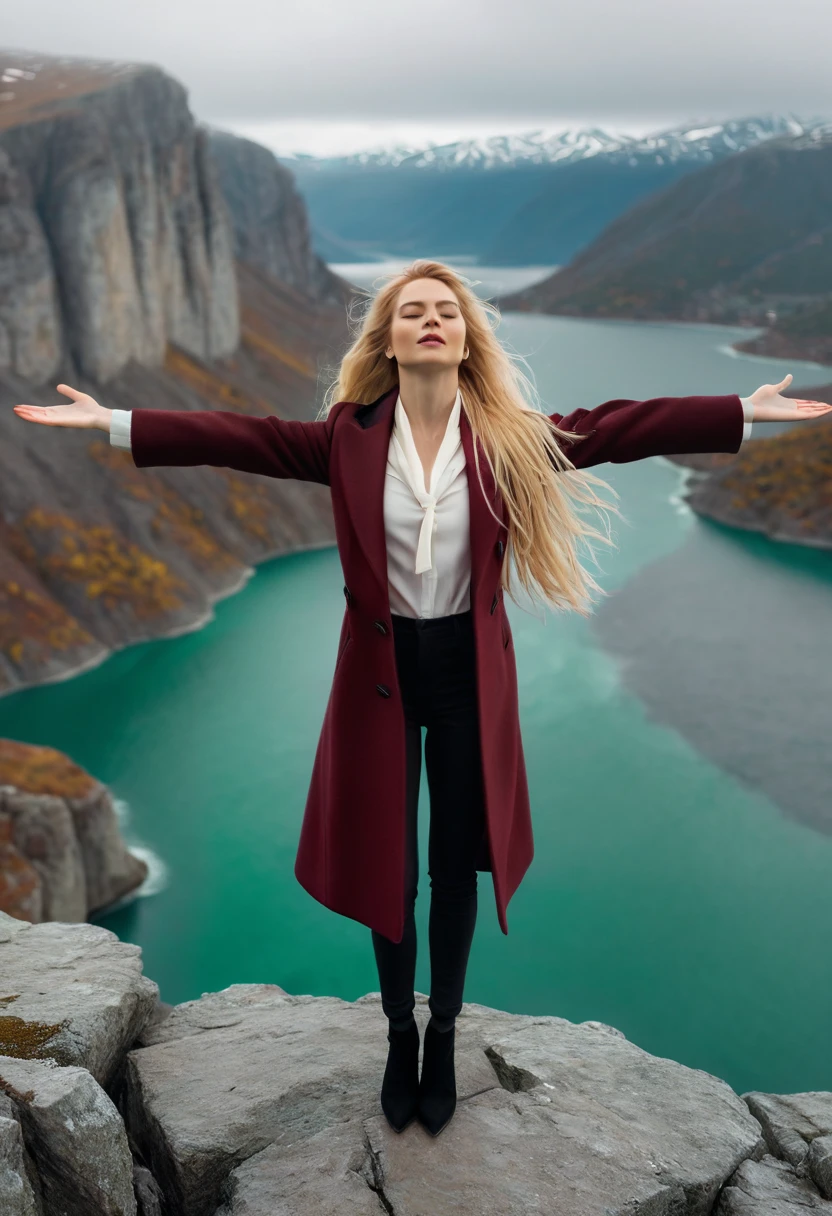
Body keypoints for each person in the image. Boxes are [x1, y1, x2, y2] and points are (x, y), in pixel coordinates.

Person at [12, 260, 832, 1138]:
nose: (432, 321)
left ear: (468, 334)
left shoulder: (511, 435)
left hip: (468, 670)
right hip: (379, 672)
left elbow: (619, 427)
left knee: (454, 862)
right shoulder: (346, 437)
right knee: (386, 864)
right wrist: (113, 423)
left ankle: (444, 1030)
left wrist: (742, 410)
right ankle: (397, 1031)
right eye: (414, 312)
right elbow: (235, 435)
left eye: (448, 310)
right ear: (391, 339)